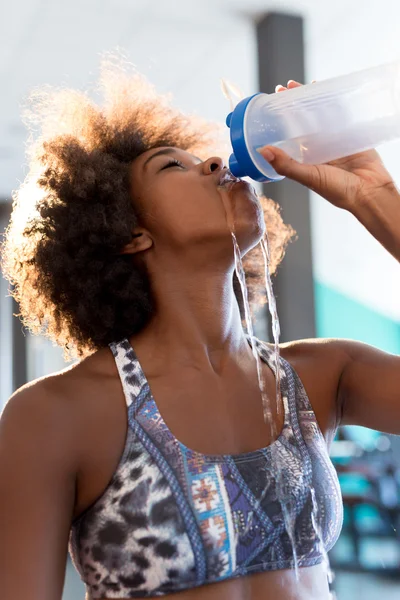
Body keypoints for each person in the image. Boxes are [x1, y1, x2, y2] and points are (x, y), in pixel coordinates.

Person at [1, 54, 400, 600]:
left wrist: (378, 202)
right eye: (174, 166)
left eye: (204, 157)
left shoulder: (324, 375)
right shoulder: (55, 414)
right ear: (128, 234)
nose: (215, 164)